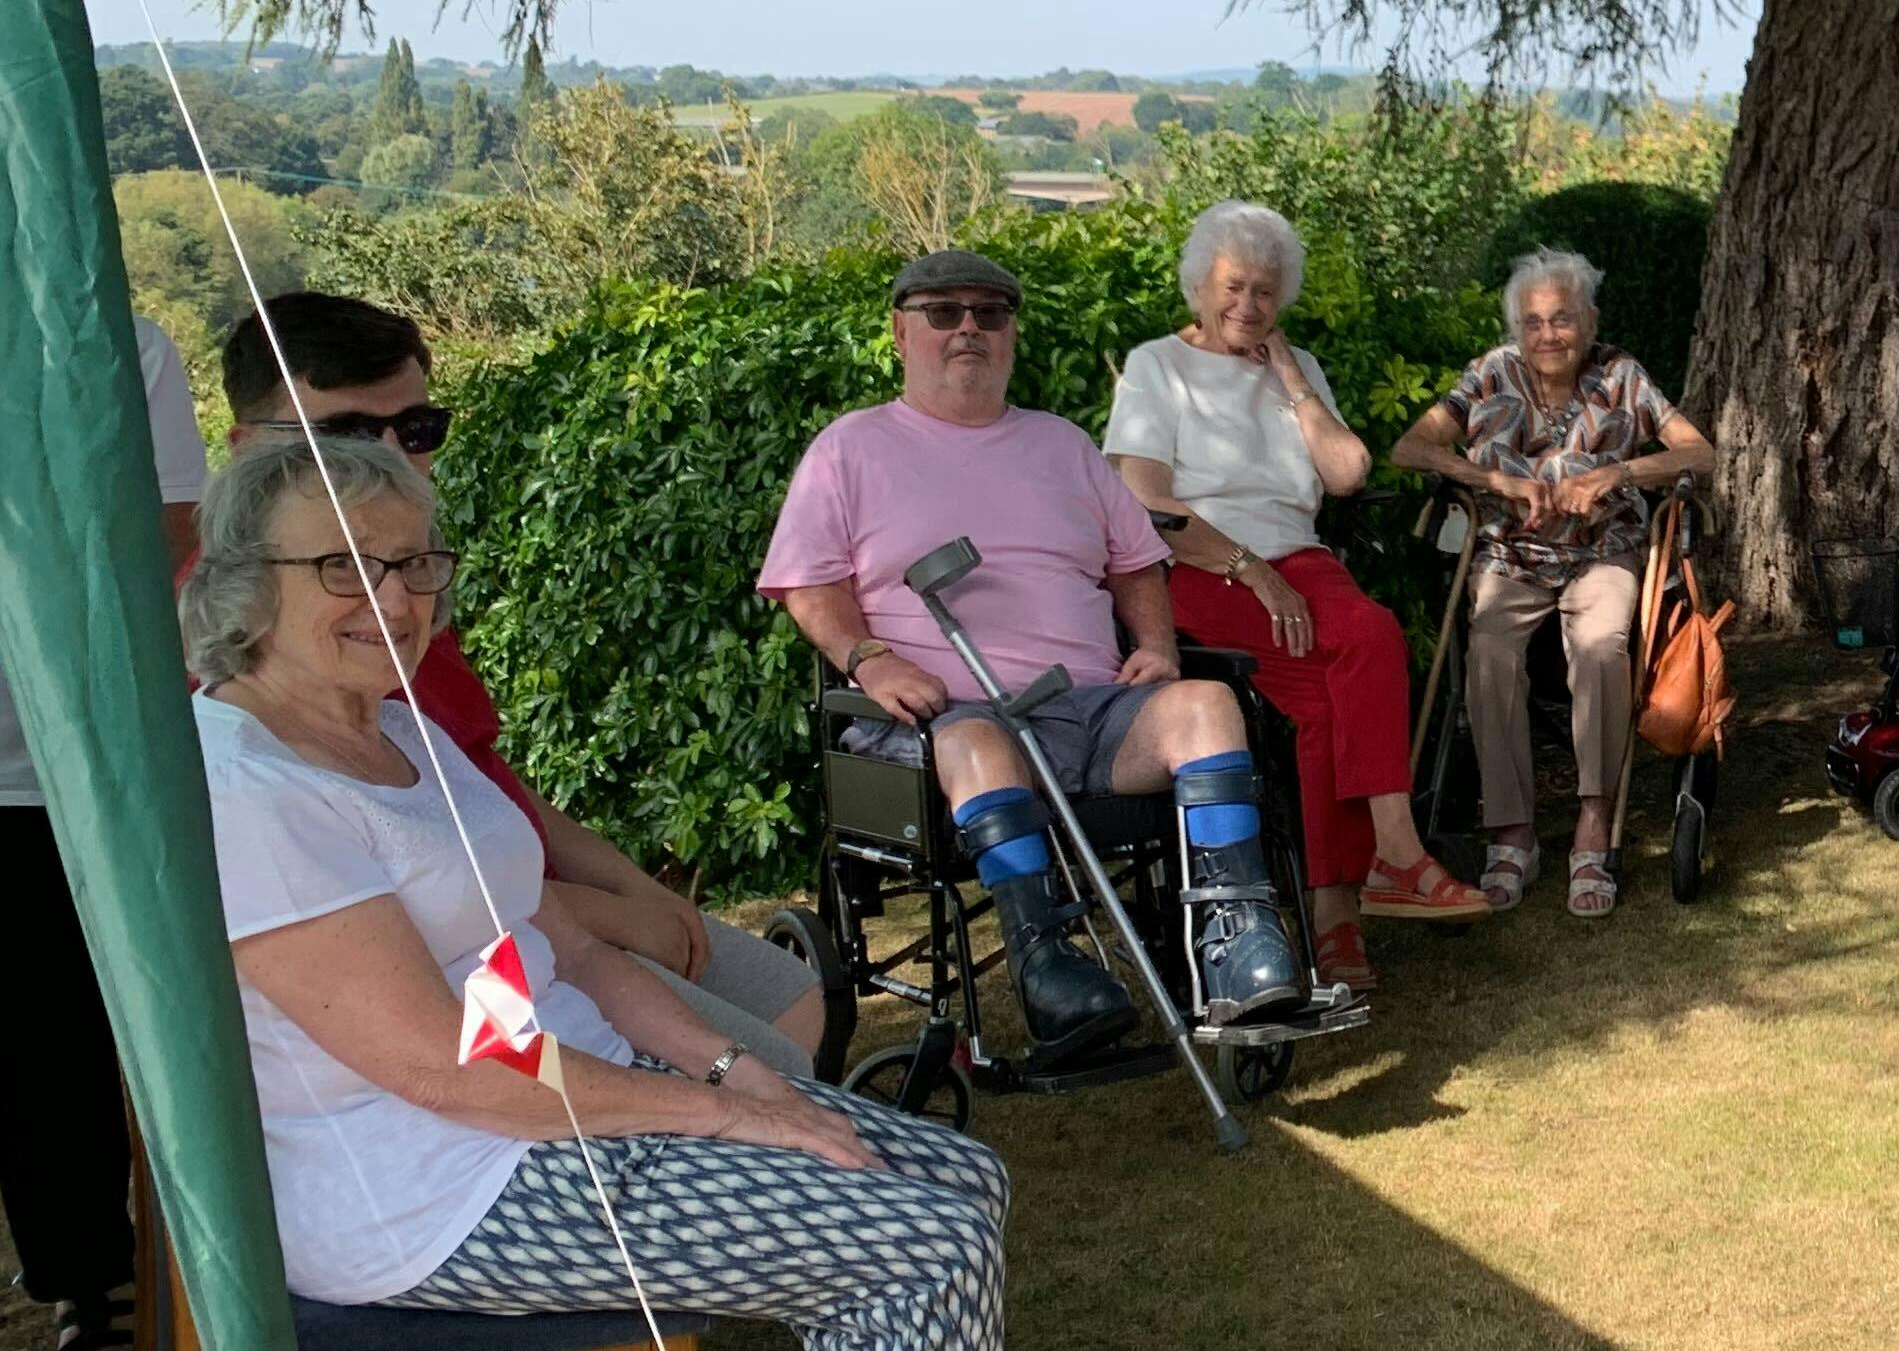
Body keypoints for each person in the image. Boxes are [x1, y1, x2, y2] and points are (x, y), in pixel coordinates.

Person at [187, 434, 1139, 1351]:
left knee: (958, 1174)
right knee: (910, 1249)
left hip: (544, 1099)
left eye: (415, 563)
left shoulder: (392, 726)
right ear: (245, 581)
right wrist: (731, 1116)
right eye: (345, 568)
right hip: (435, 1185)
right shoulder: (248, 786)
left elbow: (557, 951)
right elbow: (440, 1064)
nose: (396, 599)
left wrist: (729, 1066)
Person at [223, 296, 830, 1081]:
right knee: (768, 1070)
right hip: (479, 956)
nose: (390, 459)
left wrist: (637, 888)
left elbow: (481, 780)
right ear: (248, 448)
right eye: (343, 434)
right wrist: (616, 922)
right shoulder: (256, 636)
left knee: (791, 999)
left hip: (532, 903)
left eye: (415, 430)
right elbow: (415, 895)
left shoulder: (404, 587)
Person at [760, 248, 1307, 1058]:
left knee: (1206, 704)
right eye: (944, 314)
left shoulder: (1062, 445)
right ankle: (1046, 962)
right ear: (902, 333)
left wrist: (1157, 645)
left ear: (1012, 335)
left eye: (990, 314)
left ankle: (1236, 939)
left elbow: (1135, 561)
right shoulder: (849, 449)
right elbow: (809, 585)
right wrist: (870, 658)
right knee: (978, 741)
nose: (969, 329)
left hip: (1088, 708)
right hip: (940, 722)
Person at [1105, 201, 1483, 988]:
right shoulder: (1156, 367)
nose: (1248, 305)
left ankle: (1349, 903)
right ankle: (1378, 875)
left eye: (1265, 291)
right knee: (1352, 663)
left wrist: (1290, 380)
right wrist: (1251, 568)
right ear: (1199, 285)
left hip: (1301, 562)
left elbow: (1347, 473)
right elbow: (1144, 501)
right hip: (1204, 569)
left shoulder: (1295, 365)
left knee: (1351, 666)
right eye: (1233, 286)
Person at [1387, 248, 1718, 919]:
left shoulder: (1621, 375)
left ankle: (1594, 822)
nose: (1547, 334)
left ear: (1588, 321)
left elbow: (1699, 451)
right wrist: (1492, 480)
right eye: (1533, 322)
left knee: (1600, 647)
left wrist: (1618, 474)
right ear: (1517, 327)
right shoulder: (1489, 373)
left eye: (1562, 319)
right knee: (1488, 652)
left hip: (1604, 550)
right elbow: (1410, 448)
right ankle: (1512, 832)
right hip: (1509, 553)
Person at [0, 312, 205, 1351]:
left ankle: (103, 1271)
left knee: (69, 1031)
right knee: (35, 1040)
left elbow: (167, 524)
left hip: (75, 751)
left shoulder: (101, 331)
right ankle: (80, 1270)